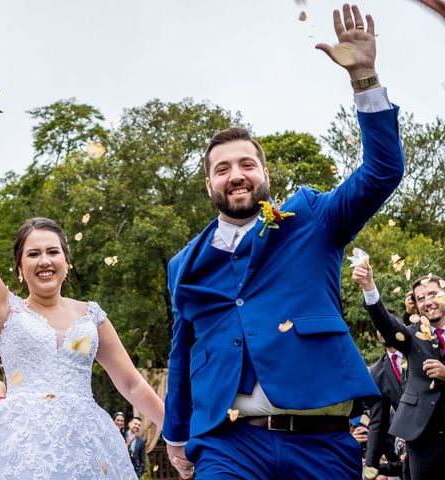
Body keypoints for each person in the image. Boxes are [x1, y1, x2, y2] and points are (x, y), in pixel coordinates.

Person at [163, 5, 405, 479]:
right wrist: (176, 433)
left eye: (247, 165)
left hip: (322, 441)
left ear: (265, 174)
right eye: (222, 169)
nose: (236, 176)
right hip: (229, 445)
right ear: (208, 185)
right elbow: (183, 349)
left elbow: (382, 172)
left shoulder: (312, 217)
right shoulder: (184, 265)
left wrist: (365, 78)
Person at [0, 128, 165, 479]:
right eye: (33, 254)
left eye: (52, 252)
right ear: (19, 268)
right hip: (18, 446)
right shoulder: (5, 310)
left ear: (67, 261)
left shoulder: (91, 316)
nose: (44, 261)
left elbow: (132, 383)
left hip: (87, 443)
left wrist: (179, 432)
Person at [353, 263, 445, 480]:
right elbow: (386, 326)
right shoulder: (412, 336)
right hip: (423, 440)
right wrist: (369, 286)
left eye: (433, 294)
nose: (428, 302)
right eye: (420, 298)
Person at [364, 322, 407, 478]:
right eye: (378, 328)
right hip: (408, 450)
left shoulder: (416, 352)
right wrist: (370, 466)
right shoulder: (377, 370)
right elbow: (378, 422)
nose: (382, 330)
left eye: (386, 323)